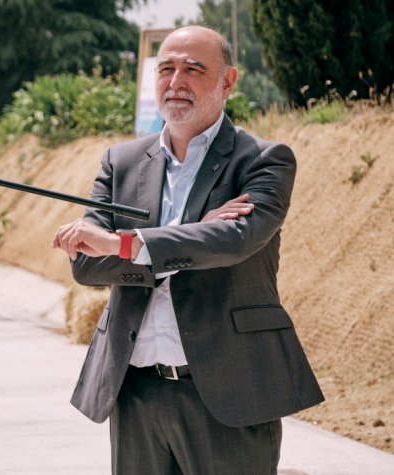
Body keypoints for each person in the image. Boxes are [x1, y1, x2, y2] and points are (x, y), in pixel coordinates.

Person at [52, 26, 323, 474]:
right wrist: (191, 236)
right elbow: (86, 263)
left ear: (228, 82)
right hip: (134, 391)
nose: (176, 81)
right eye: (166, 68)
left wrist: (129, 244)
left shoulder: (262, 160)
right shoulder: (120, 162)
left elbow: (236, 241)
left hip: (227, 391)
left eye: (193, 69)